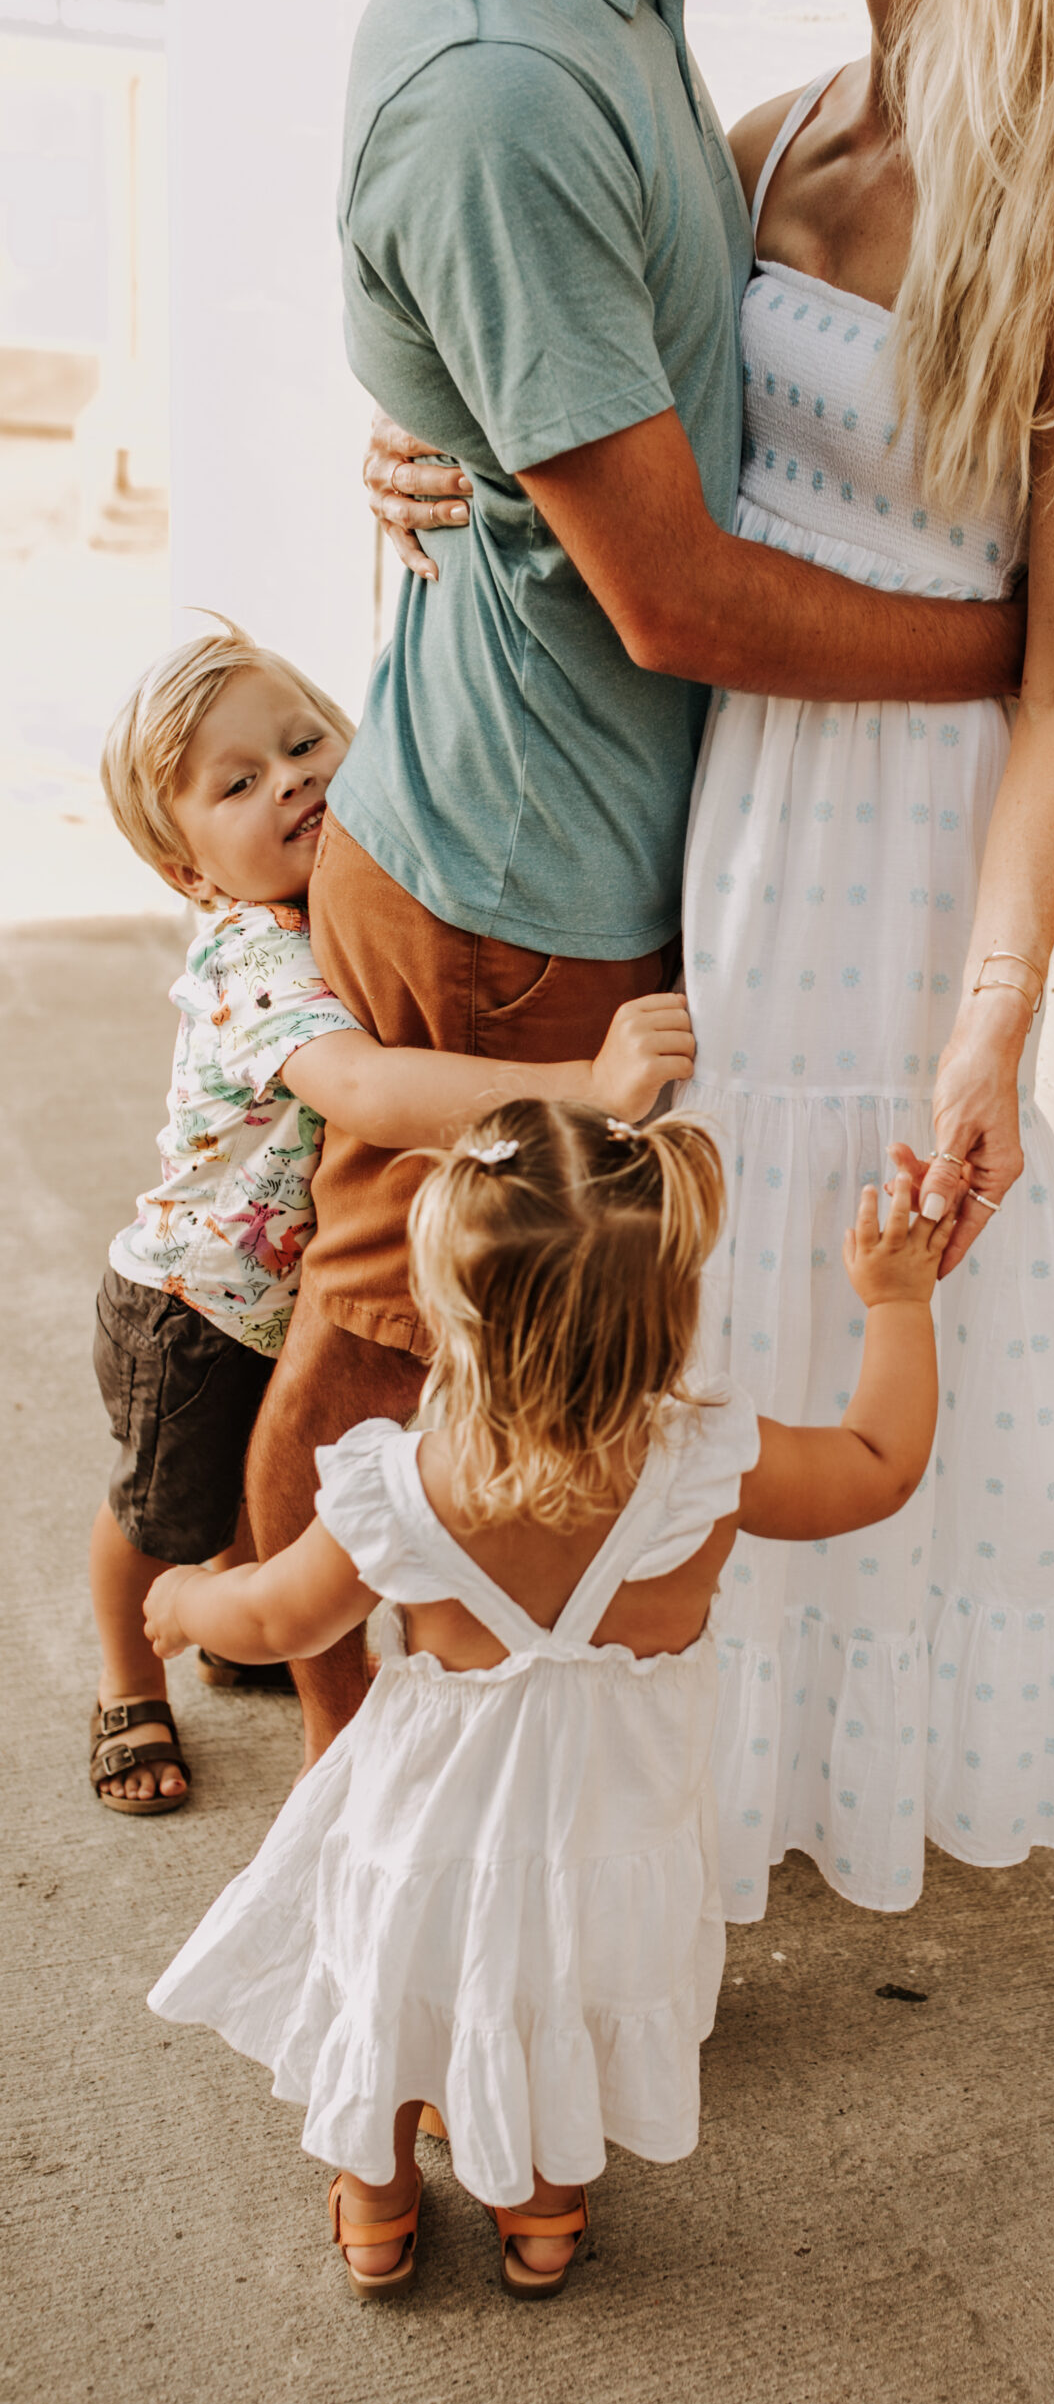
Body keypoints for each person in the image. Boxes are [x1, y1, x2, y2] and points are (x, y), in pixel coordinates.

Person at [367, 0, 1054, 1916]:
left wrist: (989, 1017)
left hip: (904, 886)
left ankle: (730, 1824)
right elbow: (580, 400)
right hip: (714, 826)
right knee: (664, 1315)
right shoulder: (761, 139)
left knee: (831, 1315)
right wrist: (428, 441)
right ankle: (594, 1810)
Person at [256, 0, 1024, 1780]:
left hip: (564, 847)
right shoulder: (502, 83)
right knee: (388, 1358)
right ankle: (350, 1772)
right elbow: (672, 598)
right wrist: (1022, 645)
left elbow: (555, 322)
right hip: (509, 894)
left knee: (444, 1346)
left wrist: (440, 401)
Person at [144, 1101, 950, 2298]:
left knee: (408, 1979)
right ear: (665, 1305)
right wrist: (898, 1302)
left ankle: (377, 2205)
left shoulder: (402, 1482)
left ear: (456, 1312)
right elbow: (880, 1468)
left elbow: (275, 1618)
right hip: (608, 1826)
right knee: (556, 1985)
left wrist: (183, 1610)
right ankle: (540, 2206)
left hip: (425, 1825)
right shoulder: (709, 1462)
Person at [89, 624, 692, 1813]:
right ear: (191, 874)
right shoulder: (248, 958)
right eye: (241, 783)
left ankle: (239, 1620)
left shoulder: (342, 902)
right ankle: (125, 1678)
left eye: (305, 742)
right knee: (163, 1506)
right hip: (196, 1307)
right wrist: (585, 1087)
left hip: (275, 1291)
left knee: (267, 1484)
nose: (295, 778)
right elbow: (367, 1088)